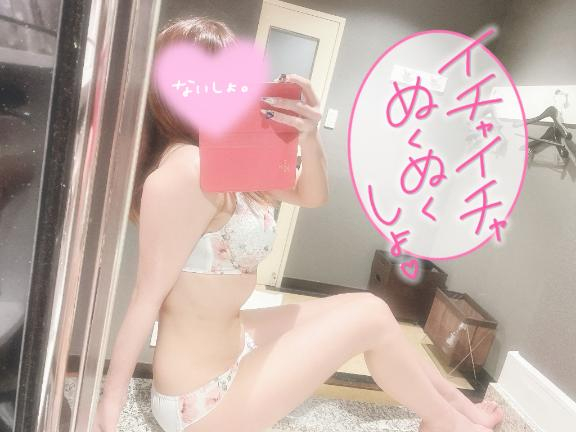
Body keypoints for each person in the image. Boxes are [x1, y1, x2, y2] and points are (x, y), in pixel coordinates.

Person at [94, 15, 504, 432]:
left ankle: (459, 407)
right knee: (369, 317)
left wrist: (309, 134)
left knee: (370, 308)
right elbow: (145, 297)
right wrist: (110, 404)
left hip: (234, 339)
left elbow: (311, 195)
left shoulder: (227, 156)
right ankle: (448, 423)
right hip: (199, 397)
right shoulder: (187, 168)